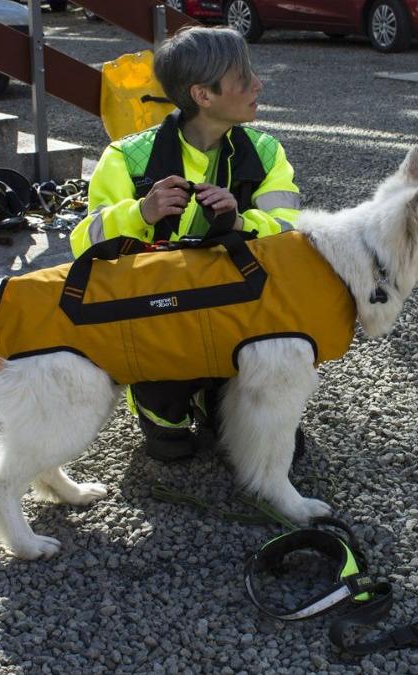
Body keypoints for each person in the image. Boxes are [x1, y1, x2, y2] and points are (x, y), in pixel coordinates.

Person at [70, 26, 302, 462]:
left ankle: (216, 395)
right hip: (161, 320)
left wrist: (240, 221)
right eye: (244, 78)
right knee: (169, 448)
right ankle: (160, 399)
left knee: (269, 445)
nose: (258, 84)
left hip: (241, 312)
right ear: (203, 95)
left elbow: (291, 235)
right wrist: (141, 212)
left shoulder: (267, 152)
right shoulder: (124, 159)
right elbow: (84, 245)